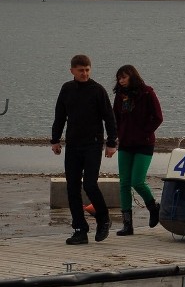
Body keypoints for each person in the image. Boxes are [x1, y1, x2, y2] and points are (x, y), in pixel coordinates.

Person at [50, 54, 117, 245]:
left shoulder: (98, 90)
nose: (85, 73)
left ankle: (103, 219)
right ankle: (80, 229)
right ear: (72, 70)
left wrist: (111, 143)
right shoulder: (67, 89)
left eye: (87, 70)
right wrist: (55, 140)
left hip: (93, 145)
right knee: (71, 187)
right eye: (81, 70)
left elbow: (109, 118)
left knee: (89, 184)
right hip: (73, 145)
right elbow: (60, 116)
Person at [112, 65, 164, 236]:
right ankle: (128, 225)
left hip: (144, 143)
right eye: (119, 78)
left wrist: (144, 132)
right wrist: (116, 135)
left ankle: (153, 207)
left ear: (132, 76)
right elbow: (115, 118)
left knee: (137, 181)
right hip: (126, 144)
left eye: (124, 77)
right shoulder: (120, 96)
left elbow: (158, 117)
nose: (121, 80)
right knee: (124, 183)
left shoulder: (147, 93)